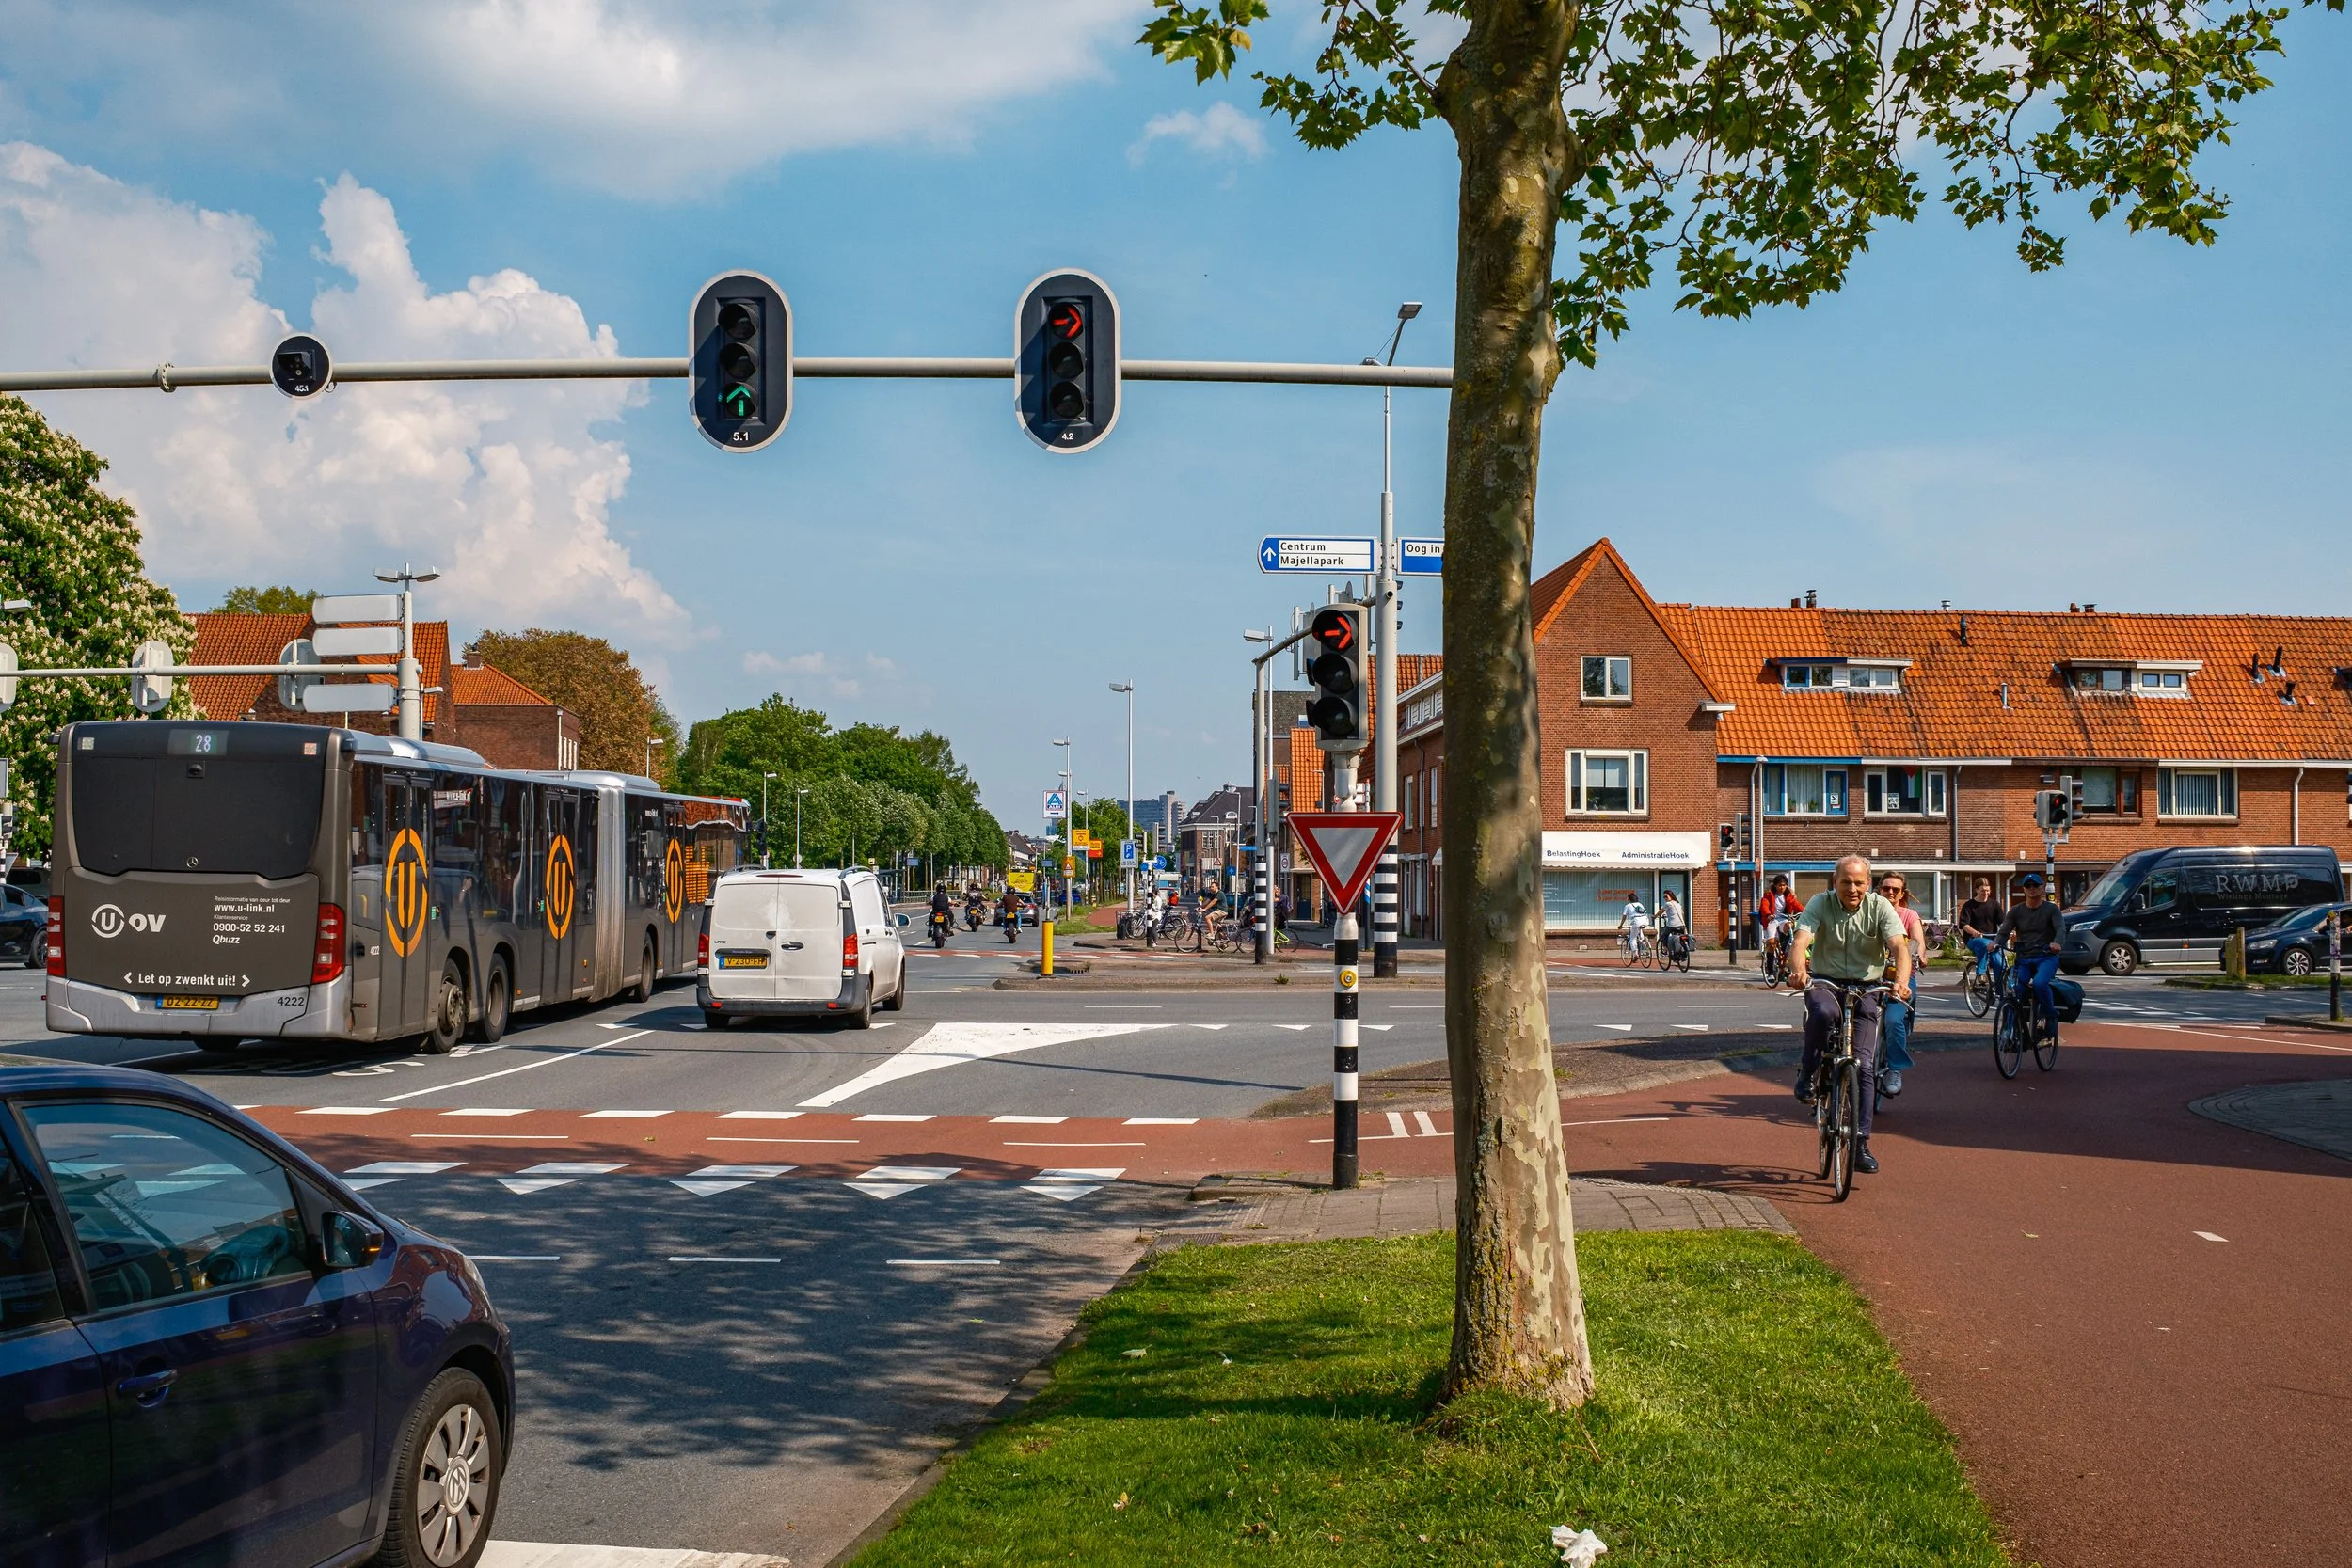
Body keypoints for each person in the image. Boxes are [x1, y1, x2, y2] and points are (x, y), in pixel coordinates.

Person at [1788, 855, 1913, 1176]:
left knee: (1866, 1065)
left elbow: (1899, 946)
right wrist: (1799, 971)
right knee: (1822, 1013)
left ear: (1868, 884)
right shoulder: (1820, 903)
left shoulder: (1880, 907)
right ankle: (1809, 1073)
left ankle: (1860, 1142)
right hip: (1826, 982)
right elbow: (1801, 940)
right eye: (1846, 882)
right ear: (1835, 882)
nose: (1853, 889)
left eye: (1859, 883)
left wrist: (1899, 982)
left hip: (1867, 987)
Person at [1996, 873, 2064, 1047]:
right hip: (2024, 958)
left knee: (2041, 983)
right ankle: (2009, 1031)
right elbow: (2004, 932)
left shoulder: (2051, 909)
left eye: (2035, 885)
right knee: (2013, 990)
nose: (2032, 889)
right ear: (2024, 889)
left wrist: (2057, 943)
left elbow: (2060, 929)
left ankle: (2051, 1017)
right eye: (2028, 886)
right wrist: (1996, 943)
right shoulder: (2016, 911)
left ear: (2042, 888)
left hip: (2046, 957)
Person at [1875, 873, 1926, 1096]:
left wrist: (1920, 955)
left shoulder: (1909, 915)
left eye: (1896, 889)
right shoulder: (1870, 913)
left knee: (1894, 1019)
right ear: (1879, 890)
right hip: (1871, 978)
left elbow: (1917, 942)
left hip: (1901, 978)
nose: (1891, 893)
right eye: (1887, 888)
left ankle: (1894, 1068)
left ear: (1902, 893)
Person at [1958, 877, 2006, 990]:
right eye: (1983, 891)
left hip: (1992, 940)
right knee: (1983, 944)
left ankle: (2001, 992)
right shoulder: (1969, 905)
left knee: (1999, 964)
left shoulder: (1994, 905)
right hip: (1974, 940)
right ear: (1976, 890)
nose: (1986, 893)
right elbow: (1964, 924)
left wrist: (2008, 931)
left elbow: (2002, 922)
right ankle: (1981, 974)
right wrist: (1974, 932)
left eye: (1988, 891)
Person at [1757, 876, 1802, 969]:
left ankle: (1784, 949)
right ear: (1775, 885)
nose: (1782, 887)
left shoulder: (1788, 895)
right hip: (1772, 920)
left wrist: (1806, 912)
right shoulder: (1769, 895)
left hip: (1783, 919)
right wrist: (1768, 914)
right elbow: (1764, 906)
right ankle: (1770, 971)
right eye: (1779, 885)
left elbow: (1796, 904)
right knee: (1771, 944)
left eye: (1784, 885)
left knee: (1790, 925)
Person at [1656, 888, 1689, 961]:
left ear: (1671, 896)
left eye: (1666, 897)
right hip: (1682, 925)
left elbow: (1660, 912)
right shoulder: (1678, 904)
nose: (1665, 898)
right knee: (1681, 939)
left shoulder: (1668, 904)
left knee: (1665, 935)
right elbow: (1682, 913)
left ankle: (1665, 950)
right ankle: (1683, 955)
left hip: (1672, 925)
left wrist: (1654, 916)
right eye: (1664, 897)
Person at [1617, 895, 1650, 961]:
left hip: (1637, 921)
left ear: (1629, 899)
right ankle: (1647, 949)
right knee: (1640, 935)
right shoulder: (1640, 904)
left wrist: (1621, 925)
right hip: (1646, 920)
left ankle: (1635, 954)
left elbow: (1624, 917)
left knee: (1632, 938)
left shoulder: (1627, 906)